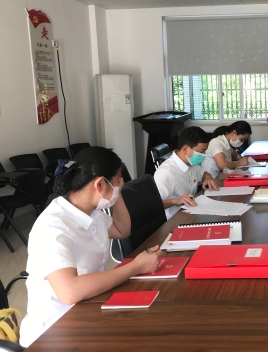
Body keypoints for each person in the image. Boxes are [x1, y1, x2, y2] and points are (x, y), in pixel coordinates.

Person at [19, 147, 163, 347]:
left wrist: (116, 193)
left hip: (88, 308)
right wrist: (136, 267)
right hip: (54, 332)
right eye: (118, 180)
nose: (122, 183)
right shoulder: (53, 228)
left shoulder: (90, 211)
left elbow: (122, 230)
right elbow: (69, 292)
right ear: (99, 184)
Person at [154, 126, 219, 219]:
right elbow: (153, 205)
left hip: (192, 213)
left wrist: (208, 177)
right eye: (201, 152)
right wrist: (175, 201)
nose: (204, 155)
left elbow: (203, 173)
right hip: (174, 220)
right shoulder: (166, 173)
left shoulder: (191, 163)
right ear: (185, 149)